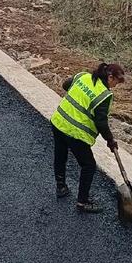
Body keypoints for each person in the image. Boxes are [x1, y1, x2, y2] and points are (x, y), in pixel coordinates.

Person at [51, 62, 126, 213]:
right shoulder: (104, 95)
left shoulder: (83, 76)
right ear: (110, 77)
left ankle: (61, 187)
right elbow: (101, 122)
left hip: (59, 122)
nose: (116, 86)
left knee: (60, 155)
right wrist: (110, 140)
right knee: (89, 165)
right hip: (76, 134)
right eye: (116, 82)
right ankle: (82, 202)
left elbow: (66, 85)